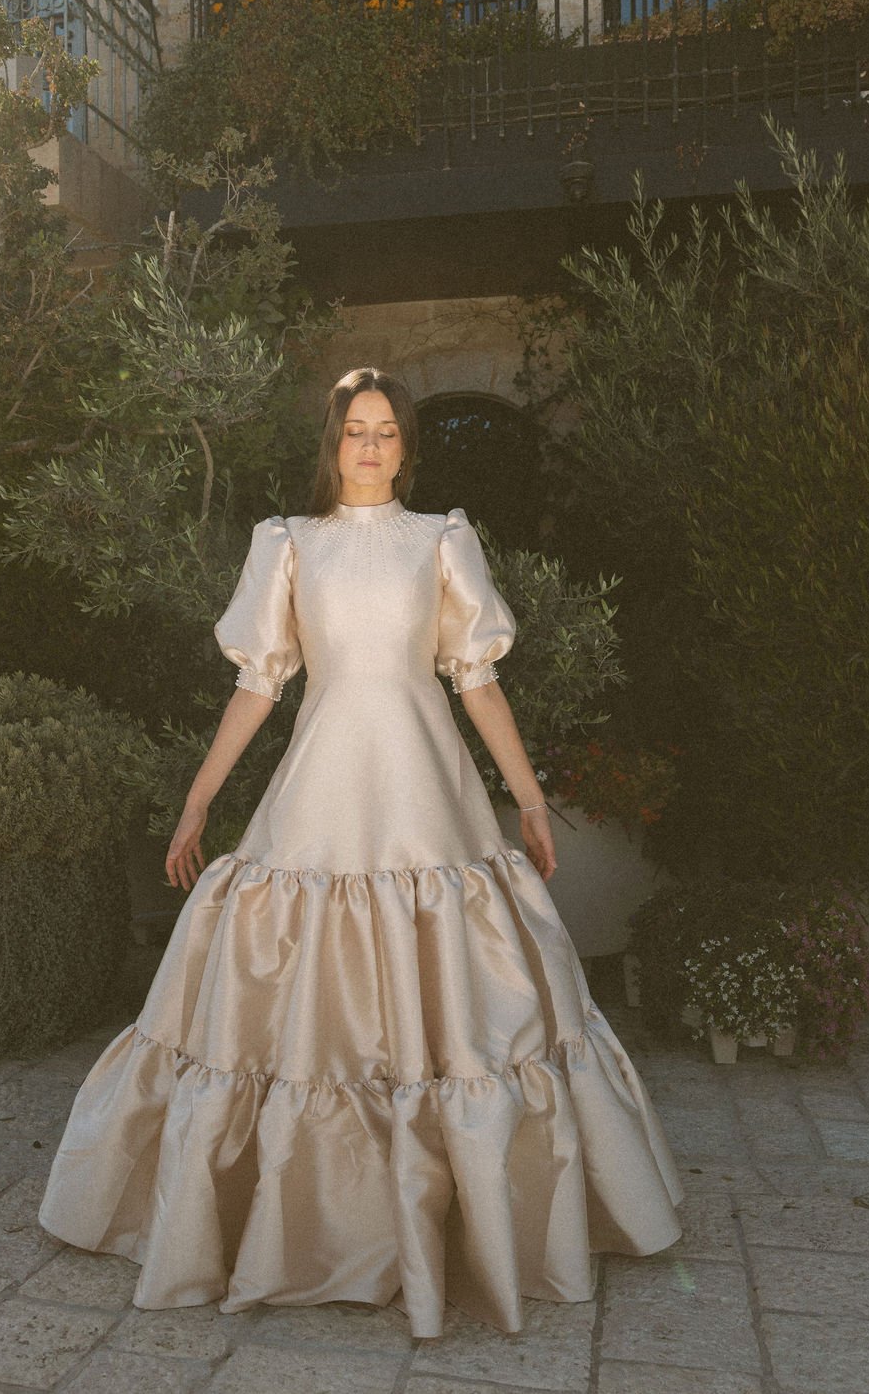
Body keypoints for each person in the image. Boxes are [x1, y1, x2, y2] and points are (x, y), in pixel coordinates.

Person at [38, 367, 683, 1338]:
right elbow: (259, 687)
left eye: (386, 431)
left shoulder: (440, 541)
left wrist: (531, 797)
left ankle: (454, 1216)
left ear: (405, 447)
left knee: (468, 1011)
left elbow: (477, 685)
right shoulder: (290, 546)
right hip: (322, 794)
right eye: (355, 430)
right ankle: (313, 1225)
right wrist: (199, 797)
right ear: (331, 445)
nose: (371, 445)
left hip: (430, 798)